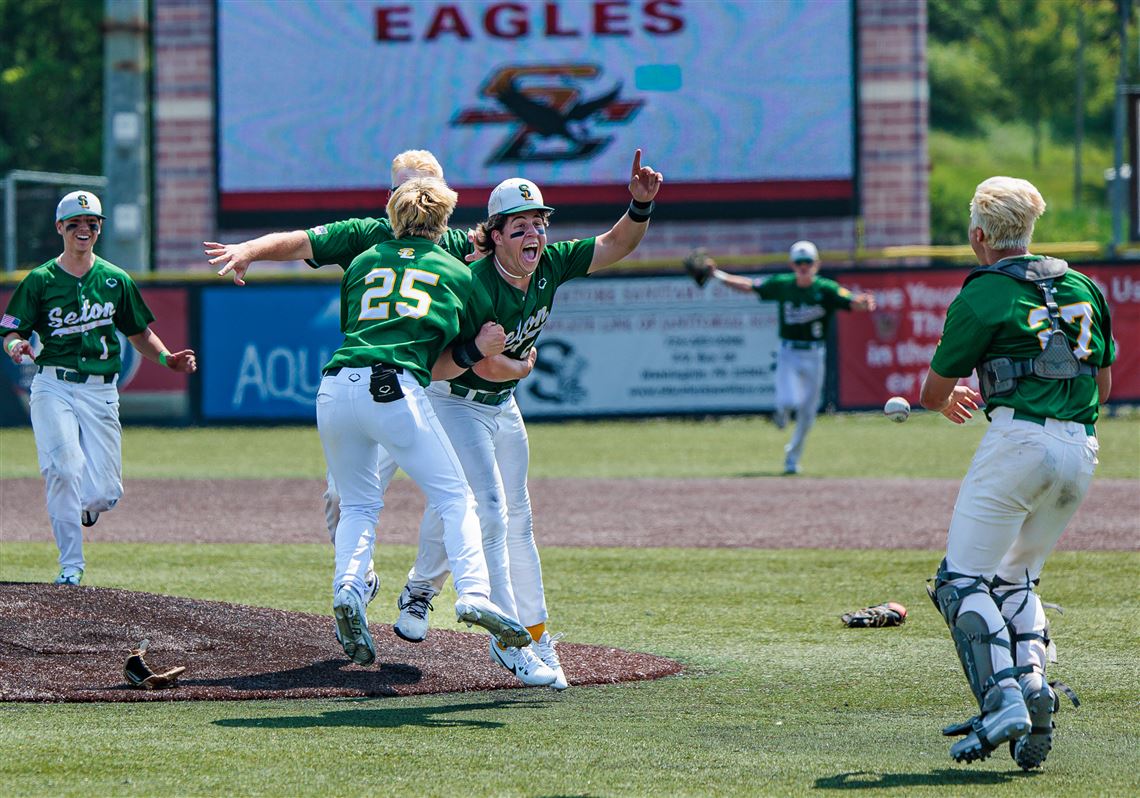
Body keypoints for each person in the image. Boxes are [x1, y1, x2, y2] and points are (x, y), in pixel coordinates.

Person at [392, 150, 664, 690]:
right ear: (494, 235)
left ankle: (531, 634)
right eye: (520, 226)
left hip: (503, 406)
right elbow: (462, 364)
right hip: (456, 402)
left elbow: (614, 246)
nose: (535, 234)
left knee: (517, 519)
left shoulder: (550, 265)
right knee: (487, 511)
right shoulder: (472, 282)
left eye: (539, 222)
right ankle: (508, 640)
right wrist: (514, 363)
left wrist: (639, 205)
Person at [206, 150, 477, 611]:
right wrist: (249, 249)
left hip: (432, 387)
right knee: (344, 498)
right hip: (376, 383)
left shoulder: (455, 243)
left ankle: (422, 591)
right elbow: (299, 242)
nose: (408, 195)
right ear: (389, 194)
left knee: (457, 493)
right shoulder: (367, 234)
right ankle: (360, 579)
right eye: (401, 187)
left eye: (420, 187)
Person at [919, 176, 1113, 767]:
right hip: (1081, 450)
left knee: (961, 581)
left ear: (979, 236)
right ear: (1030, 228)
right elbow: (1102, 381)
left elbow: (935, 391)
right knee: (1016, 579)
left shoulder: (982, 293)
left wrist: (947, 400)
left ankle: (1001, 699)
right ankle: (1032, 685)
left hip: (1020, 443)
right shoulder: (1082, 283)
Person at [315, 175, 530, 667]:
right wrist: (487, 350)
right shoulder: (457, 272)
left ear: (393, 217)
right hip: (394, 388)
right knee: (456, 497)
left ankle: (349, 586)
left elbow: (360, 332)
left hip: (333, 389)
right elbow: (456, 360)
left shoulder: (364, 261)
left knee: (360, 504)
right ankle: (474, 592)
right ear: (443, 221)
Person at [2, 191, 197, 585]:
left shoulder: (115, 279)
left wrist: (166, 358)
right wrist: (15, 345)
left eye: (91, 223)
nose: (83, 229)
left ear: (100, 228)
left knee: (105, 493)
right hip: (53, 384)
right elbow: (10, 327)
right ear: (60, 228)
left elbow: (138, 332)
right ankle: (71, 567)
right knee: (62, 469)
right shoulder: (40, 280)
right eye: (74, 223)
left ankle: (85, 509)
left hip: (100, 391)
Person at [703, 241, 875, 474]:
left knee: (808, 414)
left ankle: (792, 458)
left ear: (817, 264)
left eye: (808, 262)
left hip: (815, 353)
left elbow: (852, 301)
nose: (804, 267)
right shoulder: (783, 284)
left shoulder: (825, 288)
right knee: (787, 401)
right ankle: (781, 414)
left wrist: (863, 303)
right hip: (789, 352)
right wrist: (718, 275)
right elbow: (749, 286)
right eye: (799, 262)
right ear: (792, 265)